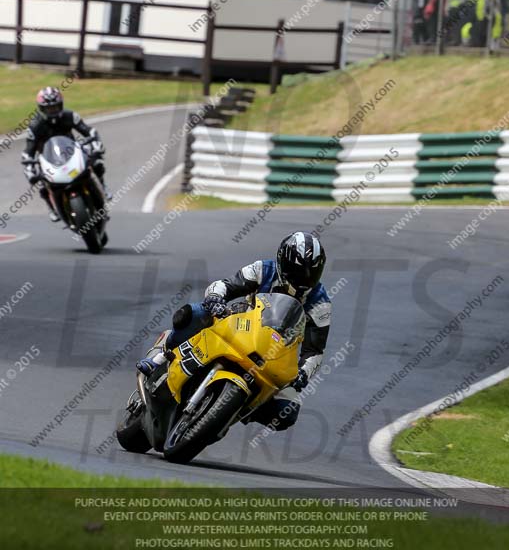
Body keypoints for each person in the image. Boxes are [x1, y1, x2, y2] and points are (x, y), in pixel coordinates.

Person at [137, 231, 331, 432]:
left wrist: (303, 374)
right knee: (193, 313)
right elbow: (224, 285)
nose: (304, 279)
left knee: (287, 412)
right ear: (282, 262)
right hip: (241, 326)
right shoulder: (262, 269)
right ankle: (158, 358)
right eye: (298, 272)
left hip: (276, 354)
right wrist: (215, 298)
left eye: (311, 273)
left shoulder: (321, 303)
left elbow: (315, 352)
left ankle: (232, 411)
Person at [21, 87, 111, 222]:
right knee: (39, 181)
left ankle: (103, 187)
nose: (53, 111)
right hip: (48, 159)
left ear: (61, 105)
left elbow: (89, 131)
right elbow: (29, 150)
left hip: (73, 153)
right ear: (41, 109)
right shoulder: (35, 126)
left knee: (96, 162)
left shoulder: (70, 116)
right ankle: (51, 207)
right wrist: (29, 167)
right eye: (49, 108)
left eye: (56, 107)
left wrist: (96, 144)